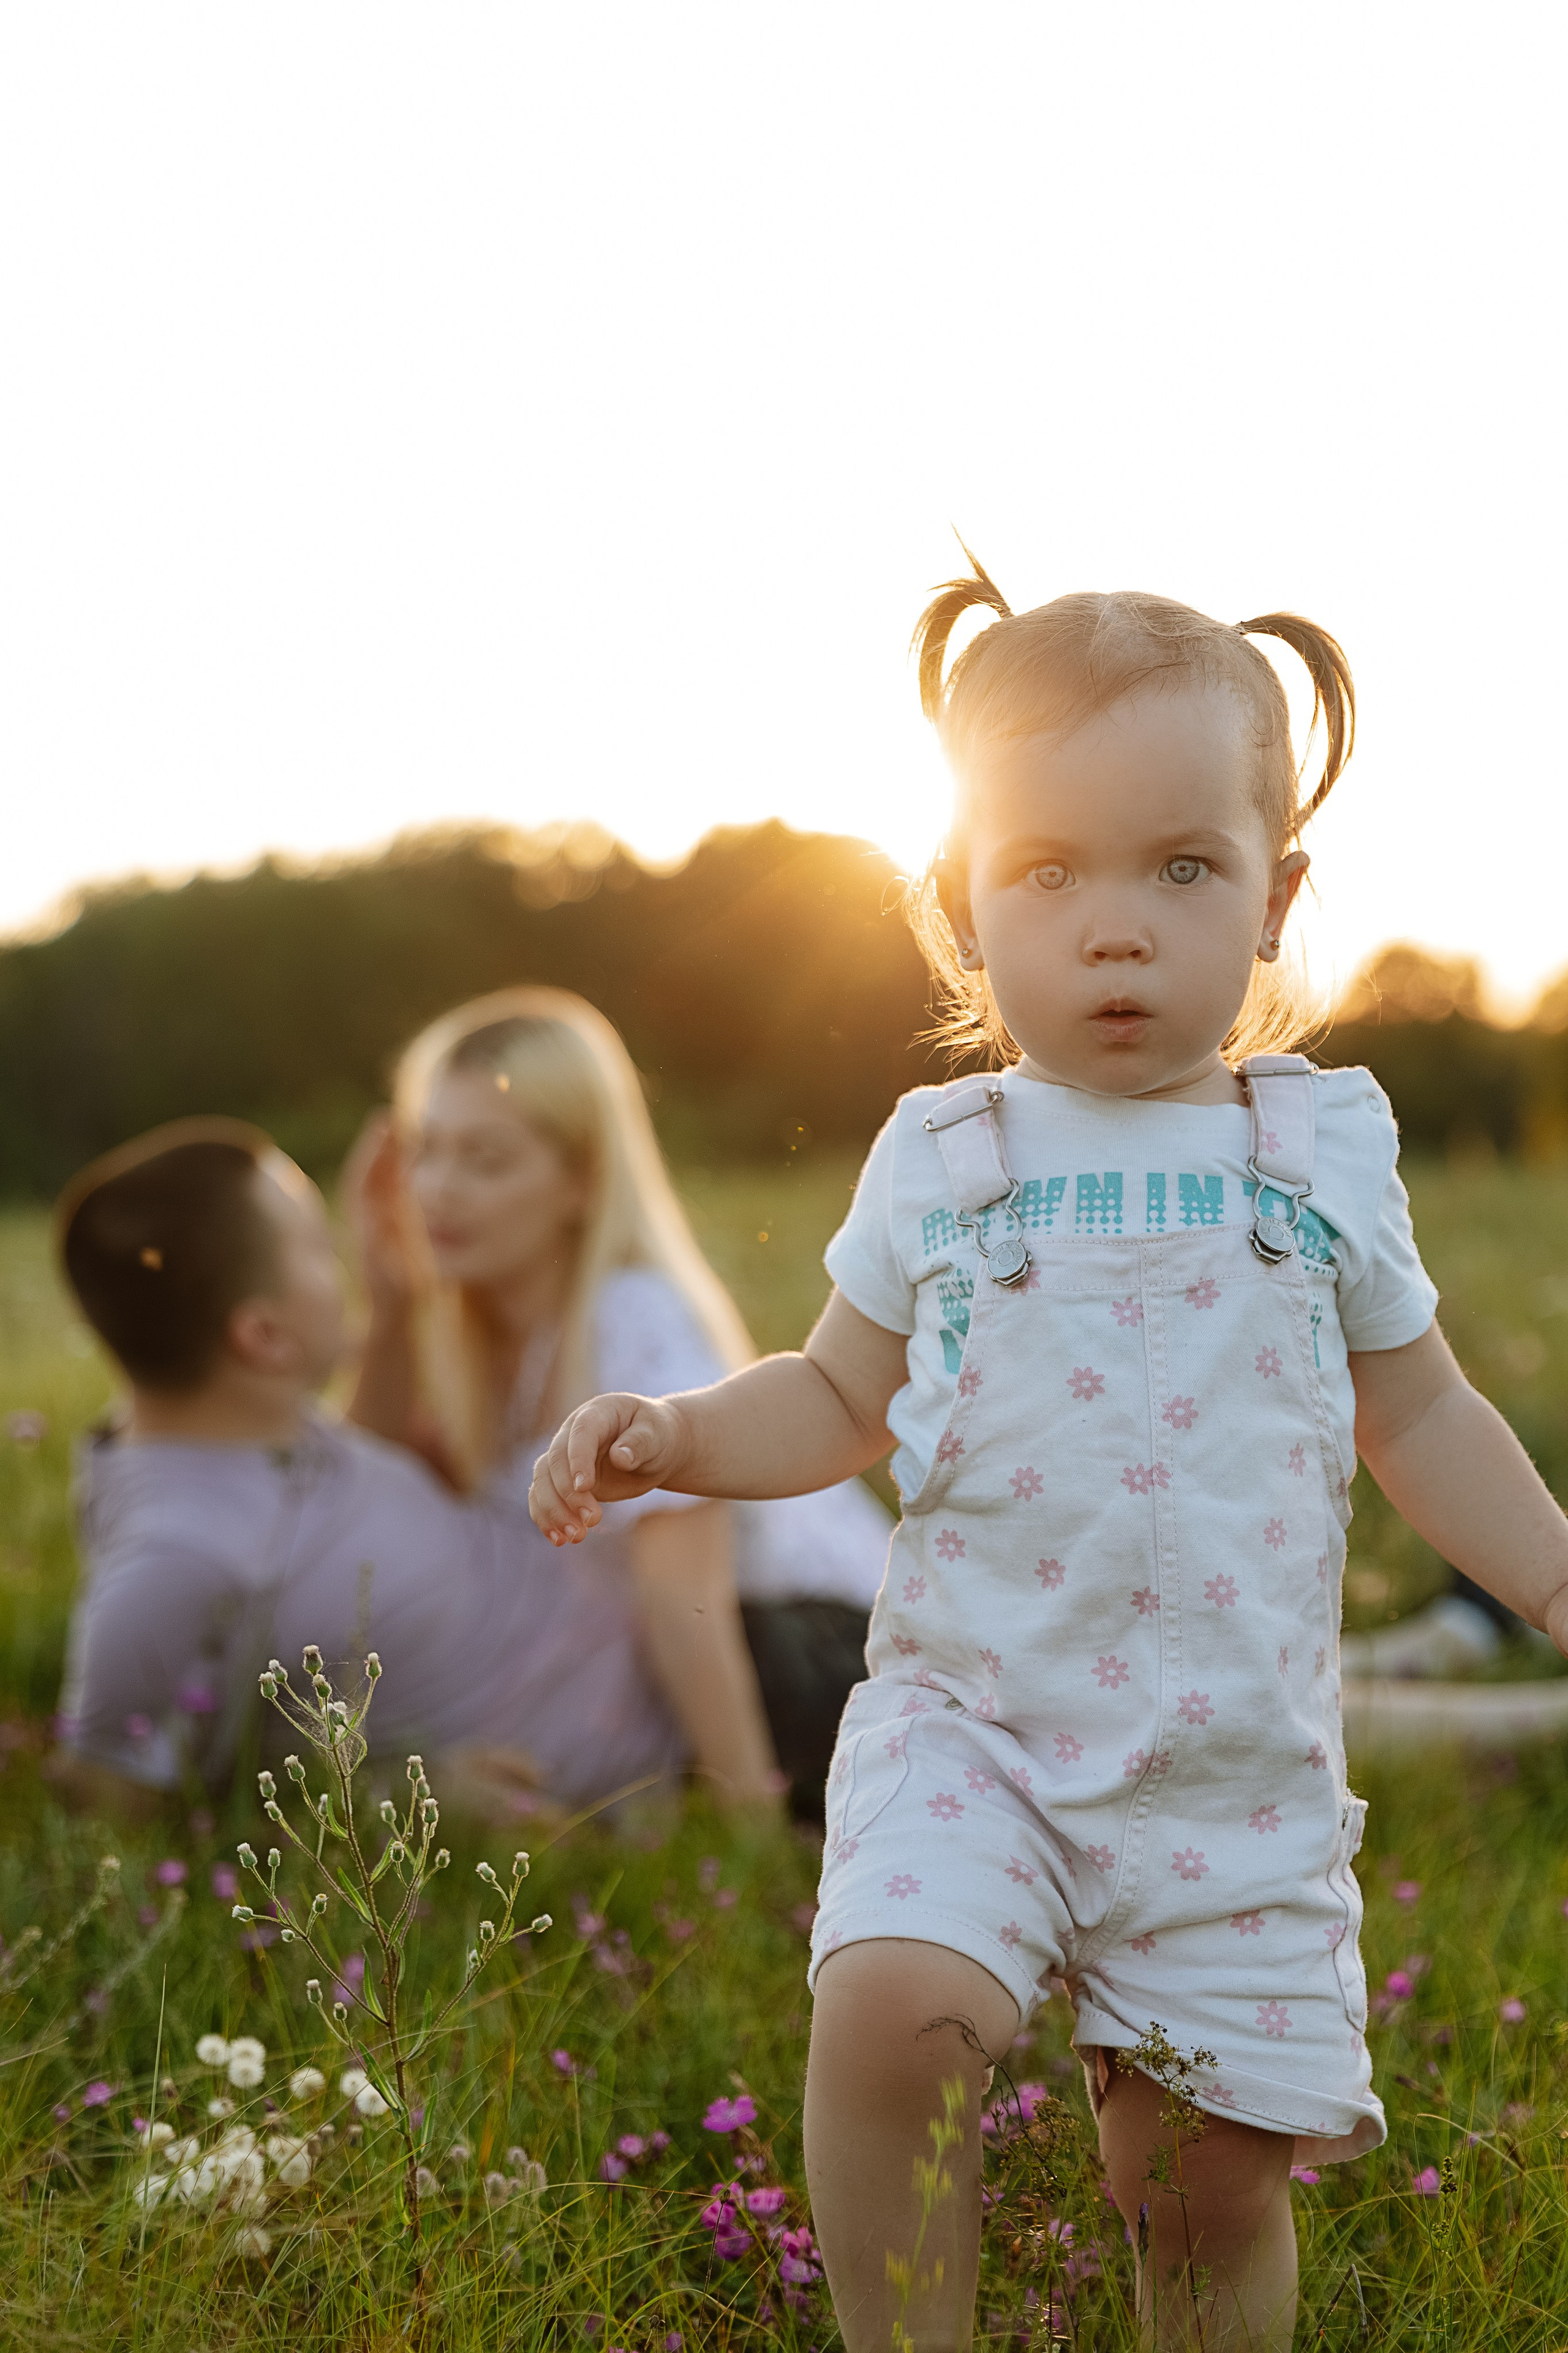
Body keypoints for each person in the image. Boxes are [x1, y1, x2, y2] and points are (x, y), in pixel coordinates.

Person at [529, 562, 1568, 2352]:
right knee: (893, 2004)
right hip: (976, 1723)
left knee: (1200, 2174)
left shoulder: (1315, 1152)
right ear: (961, 900)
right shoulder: (946, 1155)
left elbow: (1414, 1408)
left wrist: (1544, 1568)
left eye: (1181, 868)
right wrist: (681, 1433)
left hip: (1225, 1758)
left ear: (1273, 898)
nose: (1113, 928)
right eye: (1046, 872)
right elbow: (834, 1392)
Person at [345, 986, 891, 1819]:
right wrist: (388, 1311)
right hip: (683, 1667)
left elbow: (684, 1604)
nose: (438, 1190)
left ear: (582, 1181)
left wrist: (747, 1830)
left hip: (820, 1650)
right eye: (427, 1150)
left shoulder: (632, 1319)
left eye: (485, 1160)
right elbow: (365, 1501)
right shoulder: (471, 1337)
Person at [50, 1118, 690, 1822]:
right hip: (663, 1731)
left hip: (640, 1616)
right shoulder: (174, 1556)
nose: (343, 1264)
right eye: (319, 1247)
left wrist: (392, 1312)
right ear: (263, 1336)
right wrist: (395, 1798)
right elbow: (102, 1803)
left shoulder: (228, 1425)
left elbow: (319, 1512)